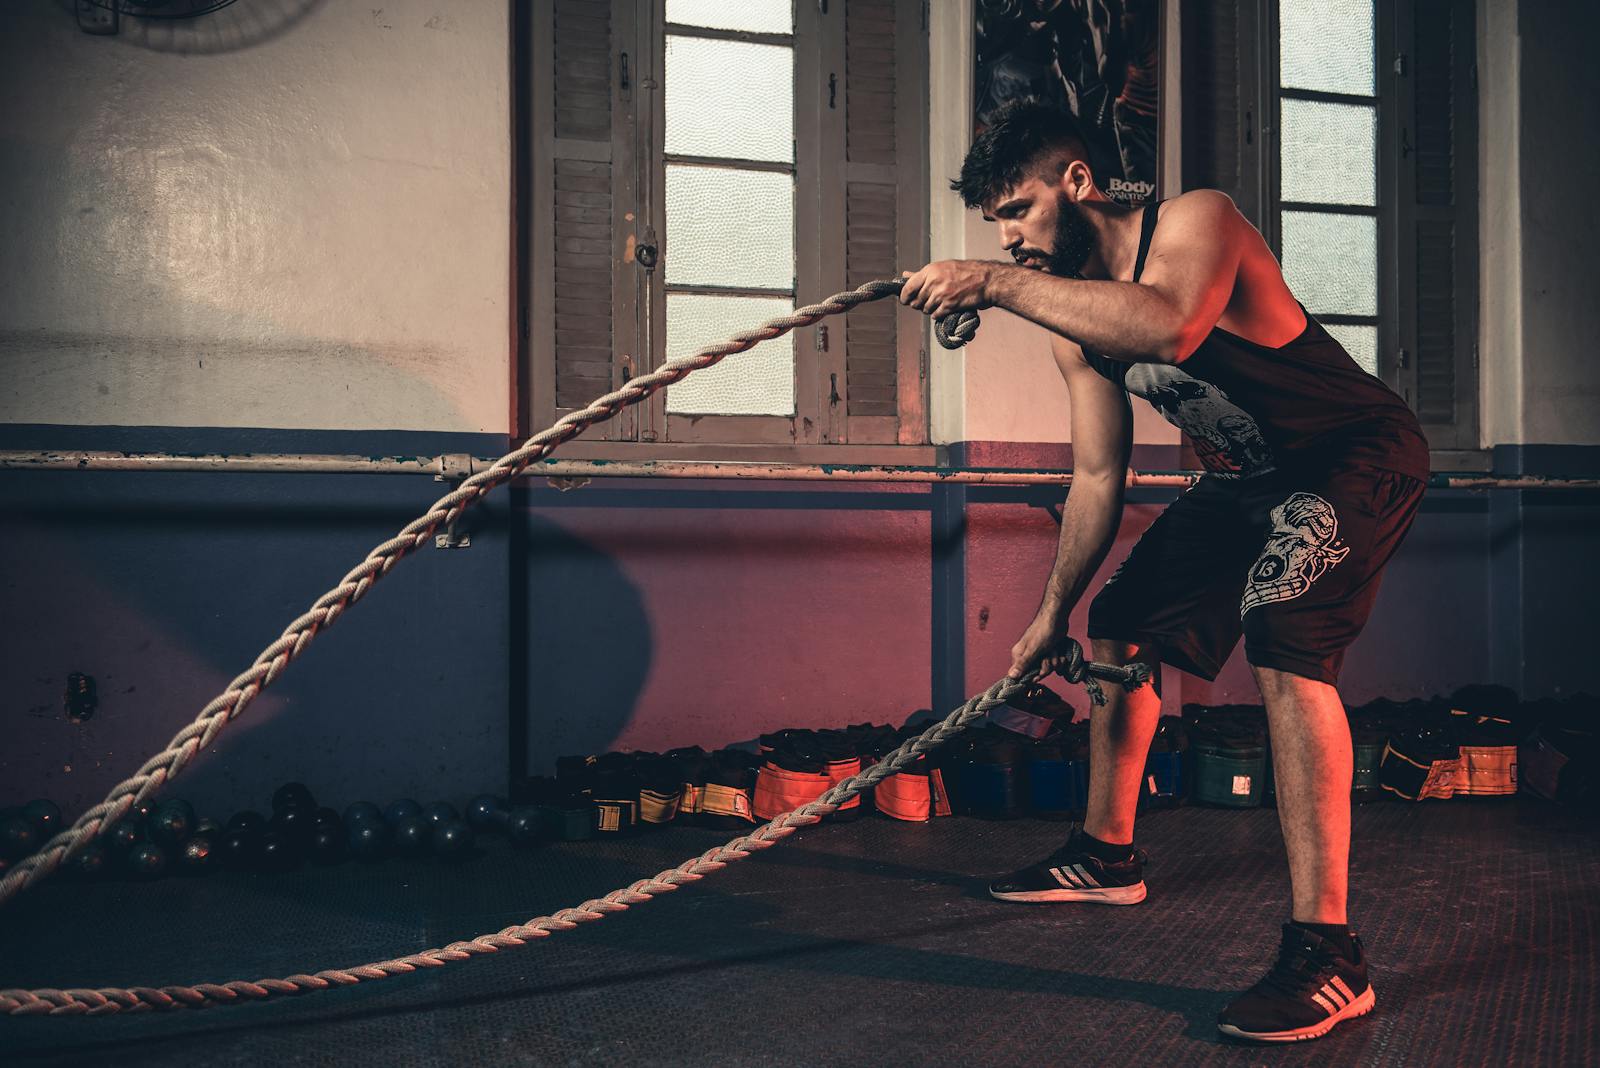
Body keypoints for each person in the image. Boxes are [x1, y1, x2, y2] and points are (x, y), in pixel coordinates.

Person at [899, 99, 1429, 1043]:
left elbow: (1172, 326)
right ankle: (1106, 855)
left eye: (1017, 211)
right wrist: (1049, 616)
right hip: (1246, 478)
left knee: (1282, 630)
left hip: (1353, 453)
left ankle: (1330, 954)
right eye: (996, 226)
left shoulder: (1196, 221)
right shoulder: (1073, 323)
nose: (1008, 238)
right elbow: (1099, 477)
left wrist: (990, 282)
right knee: (1122, 622)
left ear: (1077, 182)